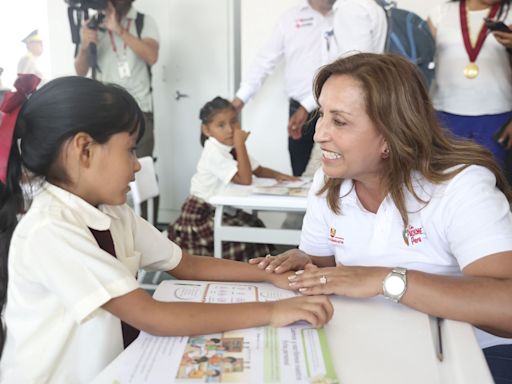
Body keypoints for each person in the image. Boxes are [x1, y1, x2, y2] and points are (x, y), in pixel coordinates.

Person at [0, 75, 333, 382]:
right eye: (130, 150)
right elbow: (151, 316)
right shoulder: (50, 230)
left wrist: (266, 275)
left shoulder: (113, 212)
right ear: (84, 150)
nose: (136, 164)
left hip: (112, 367)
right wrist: (272, 311)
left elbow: (187, 264)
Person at [250, 53, 512, 383]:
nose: (318, 134)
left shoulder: (461, 186)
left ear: (390, 135)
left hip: (475, 355)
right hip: (380, 342)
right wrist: (304, 263)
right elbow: (324, 266)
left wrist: (387, 279)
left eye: (339, 121)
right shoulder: (327, 181)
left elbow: (507, 308)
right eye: (322, 115)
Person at [168, 96, 298, 261]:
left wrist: (287, 178)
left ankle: (262, 266)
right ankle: (247, 273)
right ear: (207, 130)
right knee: (246, 235)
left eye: (233, 122)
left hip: (221, 210)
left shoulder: (229, 147)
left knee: (254, 224)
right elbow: (245, 180)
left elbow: (258, 170)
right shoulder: (213, 152)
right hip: (201, 215)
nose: (230, 129)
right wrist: (240, 144)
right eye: (221, 125)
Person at [232, 0, 336, 177]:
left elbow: (350, 63)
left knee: (337, 174)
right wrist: (238, 102)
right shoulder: (290, 19)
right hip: (299, 112)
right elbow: (265, 60)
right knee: (301, 175)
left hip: (338, 108)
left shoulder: (348, 14)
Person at [427, 0, 512, 171]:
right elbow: (421, 61)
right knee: (447, 181)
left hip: (497, 117)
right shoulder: (440, 13)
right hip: (445, 114)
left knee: (494, 182)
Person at [74, 0, 158, 159]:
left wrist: (119, 30)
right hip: (105, 110)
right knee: (107, 166)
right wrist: (84, 47)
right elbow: (80, 71)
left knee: (141, 166)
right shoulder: (93, 24)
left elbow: (151, 56)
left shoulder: (143, 21)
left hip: (140, 109)